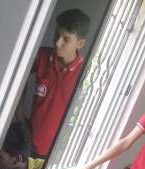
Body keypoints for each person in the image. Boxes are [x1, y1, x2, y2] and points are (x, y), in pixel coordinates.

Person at [17, 9, 91, 156]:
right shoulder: (41, 57)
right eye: (57, 35)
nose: (57, 43)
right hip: (27, 142)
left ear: (81, 43)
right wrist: (19, 116)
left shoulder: (85, 73)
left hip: (57, 153)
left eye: (66, 39)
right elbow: (17, 79)